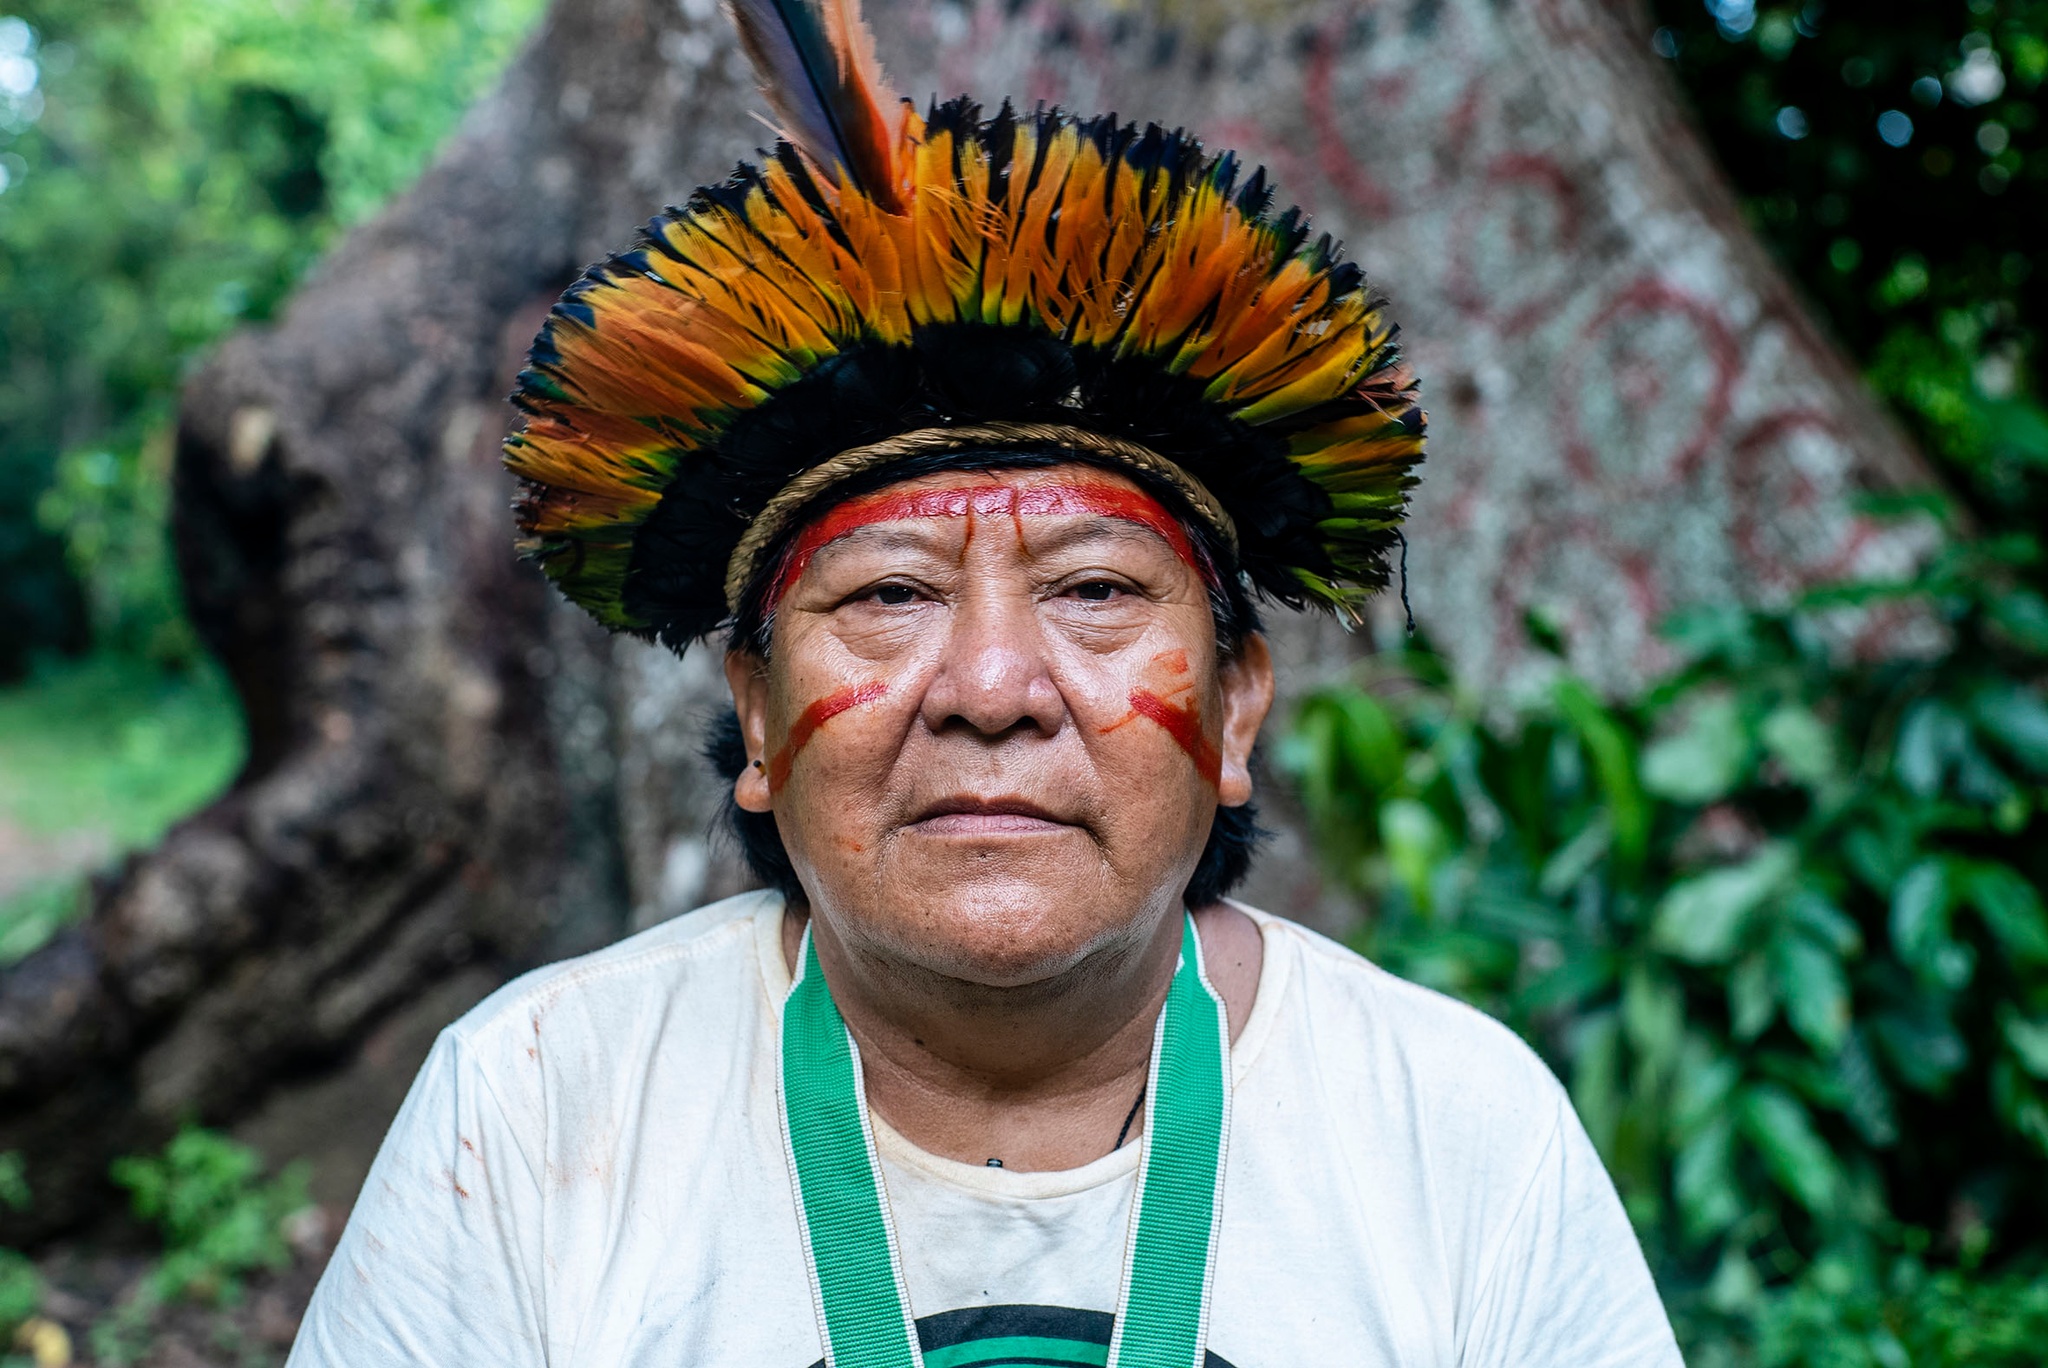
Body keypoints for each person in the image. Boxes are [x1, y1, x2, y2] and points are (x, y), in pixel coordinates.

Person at [286, 1, 1682, 1362]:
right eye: (888, 595)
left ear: (1237, 707)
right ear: (759, 718)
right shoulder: (528, 1114)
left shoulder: (1460, 1133)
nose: (995, 686)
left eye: (1094, 592)